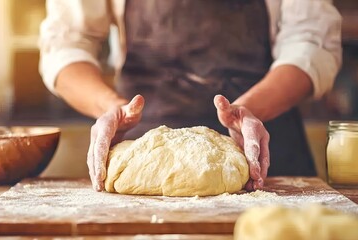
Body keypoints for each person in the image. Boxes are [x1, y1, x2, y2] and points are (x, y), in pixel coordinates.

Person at [39, 0, 342, 192]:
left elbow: (311, 41)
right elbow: (65, 43)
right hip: (146, 140)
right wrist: (113, 109)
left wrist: (247, 109)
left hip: (258, 140)